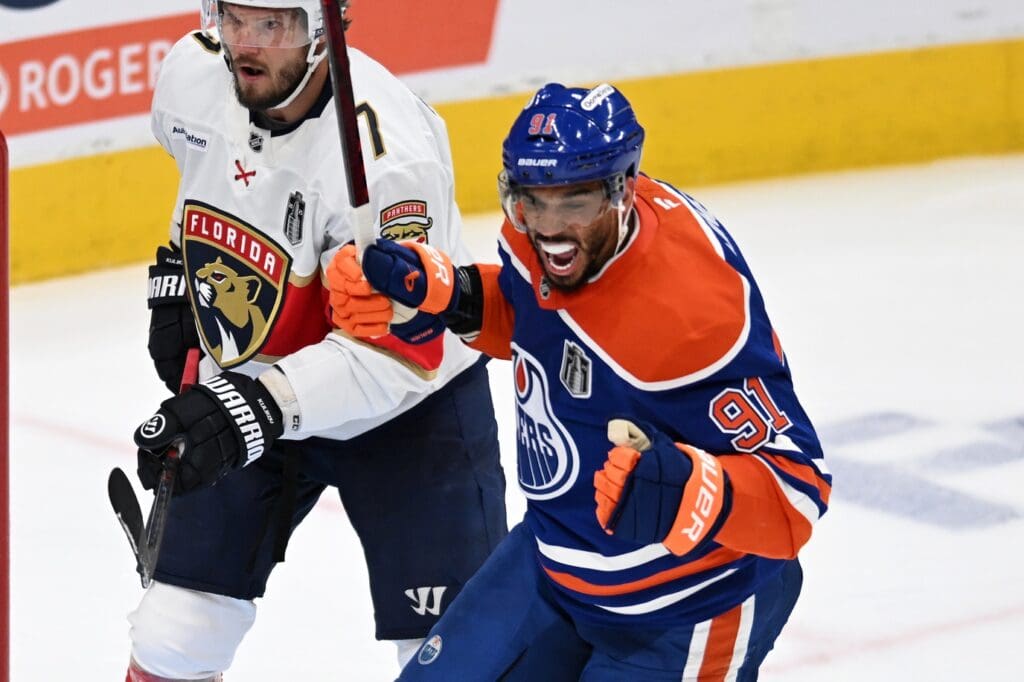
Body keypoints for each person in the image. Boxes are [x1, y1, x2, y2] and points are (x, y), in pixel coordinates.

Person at [328, 82, 832, 680]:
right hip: (553, 562)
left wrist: (695, 493)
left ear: (624, 190)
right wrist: (448, 297)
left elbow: (798, 492)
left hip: (688, 611)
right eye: (531, 201)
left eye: (575, 202)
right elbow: (534, 320)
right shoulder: (531, 241)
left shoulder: (694, 313)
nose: (550, 227)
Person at [126, 1, 508, 680]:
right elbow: (208, 174)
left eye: (272, 25)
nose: (245, 42)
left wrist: (248, 409)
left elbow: (396, 352)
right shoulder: (192, 73)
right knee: (172, 636)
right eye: (234, 16)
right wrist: (178, 283)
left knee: (455, 660)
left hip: (408, 415)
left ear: (327, 28)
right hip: (255, 387)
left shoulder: (386, 162)